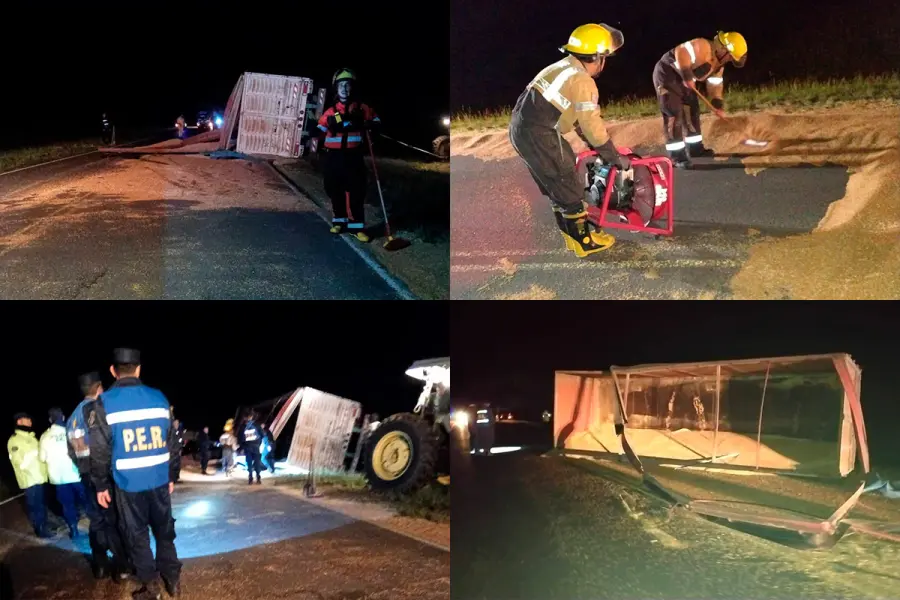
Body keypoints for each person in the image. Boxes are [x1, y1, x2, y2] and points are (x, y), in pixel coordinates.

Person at [509, 23, 629, 258]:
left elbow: (567, 117)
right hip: (541, 134)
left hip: (521, 130)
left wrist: (586, 143)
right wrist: (613, 156)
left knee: (557, 187)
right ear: (597, 57)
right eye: (604, 57)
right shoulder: (583, 80)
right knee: (568, 184)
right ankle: (584, 242)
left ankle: (571, 237)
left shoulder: (558, 68)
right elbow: (592, 125)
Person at [89, 348, 182, 600]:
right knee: (164, 531)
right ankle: (172, 580)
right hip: (159, 482)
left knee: (137, 536)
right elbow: (173, 443)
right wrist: (172, 475)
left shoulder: (104, 404)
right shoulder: (159, 398)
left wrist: (100, 486)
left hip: (128, 486)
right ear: (139, 368)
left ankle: (151, 589)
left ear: (113, 371)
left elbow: (98, 451)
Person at [67, 371, 130, 581]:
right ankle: (121, 566)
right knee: (113, 519)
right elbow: (107, 444)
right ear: (99, 388)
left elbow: (71, 453)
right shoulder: (96, 411)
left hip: (85, 476)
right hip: (103, 475)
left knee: (96, 521)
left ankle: (100, 565)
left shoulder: (71, 419)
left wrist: (83, 468)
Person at [653, 31, 747, 168]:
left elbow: (715, 84)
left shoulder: (718, 65)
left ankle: (695, 149)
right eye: (730, 57)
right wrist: (687, 75)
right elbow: (681, 52)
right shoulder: (702, 45)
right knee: (674, 113)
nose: (729, 60)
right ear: (723, 49)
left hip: (686, 81)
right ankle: (676, 157)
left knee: (692, 111)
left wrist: (717, 104)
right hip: (667, 75)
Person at [317, 68, 381, 242]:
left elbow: (376, 123)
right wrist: (312, 130)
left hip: (354, 157)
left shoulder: (363, 109)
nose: (344, 88)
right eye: (341, 85)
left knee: (356, 191)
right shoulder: (330, 112)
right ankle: (339, 221)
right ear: (335, 89)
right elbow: (319, 130)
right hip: (334, 157)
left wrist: (370, 125)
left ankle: (357, 227)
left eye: (348, 85)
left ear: (353, 87)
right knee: (334, 188)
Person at [39, 408, 85, 539]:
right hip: (76, 474)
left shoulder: (44, 437)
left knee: (67, 504)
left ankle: (74, 530)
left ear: (50, 420)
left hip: (59, 478)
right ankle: (97, 527)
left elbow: (42, 458)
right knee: (86, 501)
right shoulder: (71, 431)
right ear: (63, 417)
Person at [7, 413, 50, 538]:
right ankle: (40, 530)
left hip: (39, 477)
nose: (31, 421)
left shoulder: (31, 437)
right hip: (30, 479)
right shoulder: (14, 440)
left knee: (41, 504)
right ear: (19, 422)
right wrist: (32, 455)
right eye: (28, 419)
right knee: (35, 506)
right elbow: (18, 463)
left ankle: (44, 525)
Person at [238, 412, 264, 485]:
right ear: (252, 417)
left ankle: (250, 478)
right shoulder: (257, 425)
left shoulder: (243, 427)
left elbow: (240, 439)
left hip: (247, 448)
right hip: (256, 447)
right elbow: (262, 435)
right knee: (257, 462)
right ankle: (258, 478)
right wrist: (259, 443)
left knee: (249, 463)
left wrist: (242, 447)